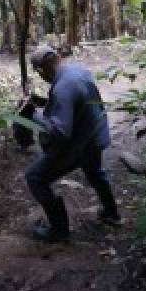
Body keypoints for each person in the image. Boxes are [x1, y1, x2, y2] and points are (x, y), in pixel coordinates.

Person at [23, 46, 120, 242]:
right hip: (95, 136)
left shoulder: (62, 89)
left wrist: (33, 116)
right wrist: (42, 103)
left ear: (42, 70)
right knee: (94, 173)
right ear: (58, 58)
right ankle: (112, 213)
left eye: (39, 74)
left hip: (81, 145)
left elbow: (60, 132)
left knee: (34, 176)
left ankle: (59, 231)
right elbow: (76, 104)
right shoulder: (77, 71)